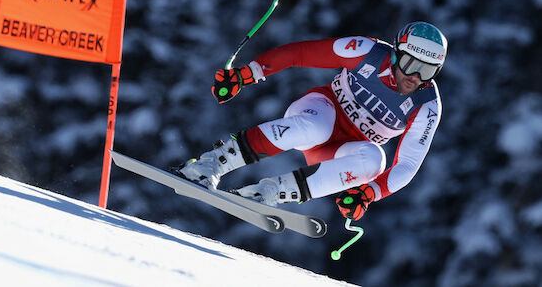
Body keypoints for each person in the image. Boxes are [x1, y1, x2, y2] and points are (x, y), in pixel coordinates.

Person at [178, 21, 447, 221]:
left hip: (339, 150)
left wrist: (369, 193)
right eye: (411, 64)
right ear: (397, 54)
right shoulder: (367, 51)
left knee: (375, 161)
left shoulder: (427, 105)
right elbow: (301, 53)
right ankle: (210, 163)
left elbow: (409, 165)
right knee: (318, 127)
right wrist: (247, 74)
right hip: (320, 110)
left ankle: (269, 192)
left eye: (428, 70)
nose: (416, 77)